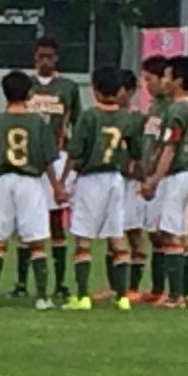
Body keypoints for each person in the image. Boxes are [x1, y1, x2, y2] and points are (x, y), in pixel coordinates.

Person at [0, 70, 65, 311]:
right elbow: (47, 160)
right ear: (29, 94)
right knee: (35, 240)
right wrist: (56, 187)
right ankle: (42, 297)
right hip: (30, 182)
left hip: (3, 181)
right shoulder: (38, 122)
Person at [62, 65, 141, 311]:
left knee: (83, 238)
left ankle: (82, 296)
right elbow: (136, 151)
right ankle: (122, 297)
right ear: (119, 90)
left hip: (91, 178)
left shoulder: (89, 116)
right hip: (115, 179)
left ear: (95, 89)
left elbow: (75, 152)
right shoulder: (127, 118)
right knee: (116, 235)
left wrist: (63, 181)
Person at [15, 36, 82, 300]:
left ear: (57, 59)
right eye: (41, 56)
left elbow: (77, 123)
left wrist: (72, 157)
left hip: (56, 157)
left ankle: (60, 282)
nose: (45, 61)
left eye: (50, 57)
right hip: (28, 159)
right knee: (25, 220)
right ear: (34, 57)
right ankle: (21, 282)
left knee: (55, 220)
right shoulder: (25, 84)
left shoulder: (68, 87)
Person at [140, 55, 188, 309]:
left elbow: (170, 147)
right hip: (184, 174)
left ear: (178, 80)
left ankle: (176, 296)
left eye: (167, 76)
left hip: (176, 175)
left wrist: (154, 179)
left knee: (171, 232)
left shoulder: (176, 110)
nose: (164, 81)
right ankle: (181, 293)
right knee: (172, 231)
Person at [124, 58, 167, 300]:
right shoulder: (154, 108)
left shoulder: (170, 109)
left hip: (161, 178)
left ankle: (166, 290)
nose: (147, 86)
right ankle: (145, 289)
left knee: (162, 233)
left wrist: (155, 174)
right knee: (146, 231)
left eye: (149, 80)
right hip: (146, 175)